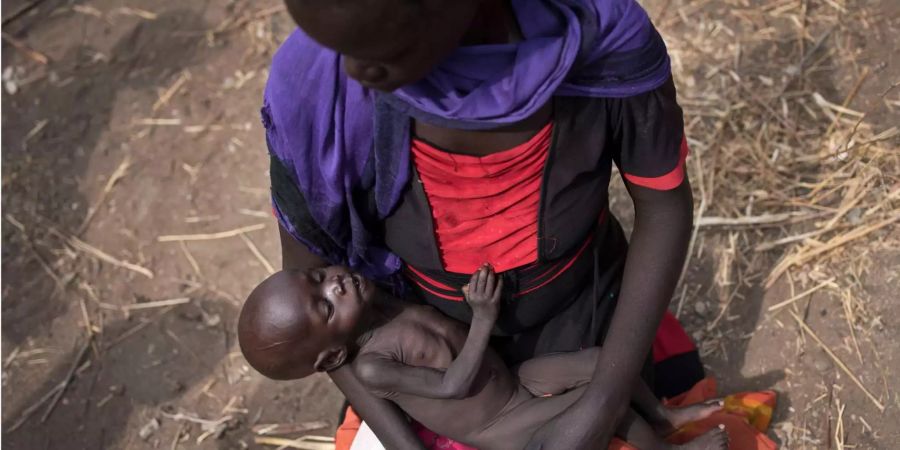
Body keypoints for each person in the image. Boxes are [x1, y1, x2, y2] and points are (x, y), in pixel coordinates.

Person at [263, 0, 697, 448]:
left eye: (377, 47)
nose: (352, 73)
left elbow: (663, 208)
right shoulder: (315, 86)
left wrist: (605, 398)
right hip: (429, 368)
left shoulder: (598, 38)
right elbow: (316, 324)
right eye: (336, 45)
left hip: (583, 324)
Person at [238, 265, 728, 450]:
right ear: (332, 357)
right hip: (507, 422)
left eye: (318, 275)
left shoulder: (381, 303)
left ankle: (663, 416)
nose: (335, 282)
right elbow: (451, 386)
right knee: (604, 401)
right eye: (326, 304)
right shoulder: (371, 366)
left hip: (515, 380)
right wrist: (484, 317)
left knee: (604, 361)